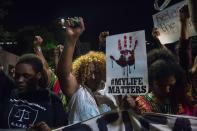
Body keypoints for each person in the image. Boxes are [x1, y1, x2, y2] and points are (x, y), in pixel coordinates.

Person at [57, 17, 116, 124]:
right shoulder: (77, 91)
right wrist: (71, 39)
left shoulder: (112, 90)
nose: (93, 76)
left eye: (97, 72)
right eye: (88, 72)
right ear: (80, 72)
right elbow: (63, 74)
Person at [0, 54, 67, 129]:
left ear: (38, 75)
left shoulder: (52, 100)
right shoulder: (9, 93)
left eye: (26, 76)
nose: (20, 80)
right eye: (17, 75)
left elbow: (62, 128)